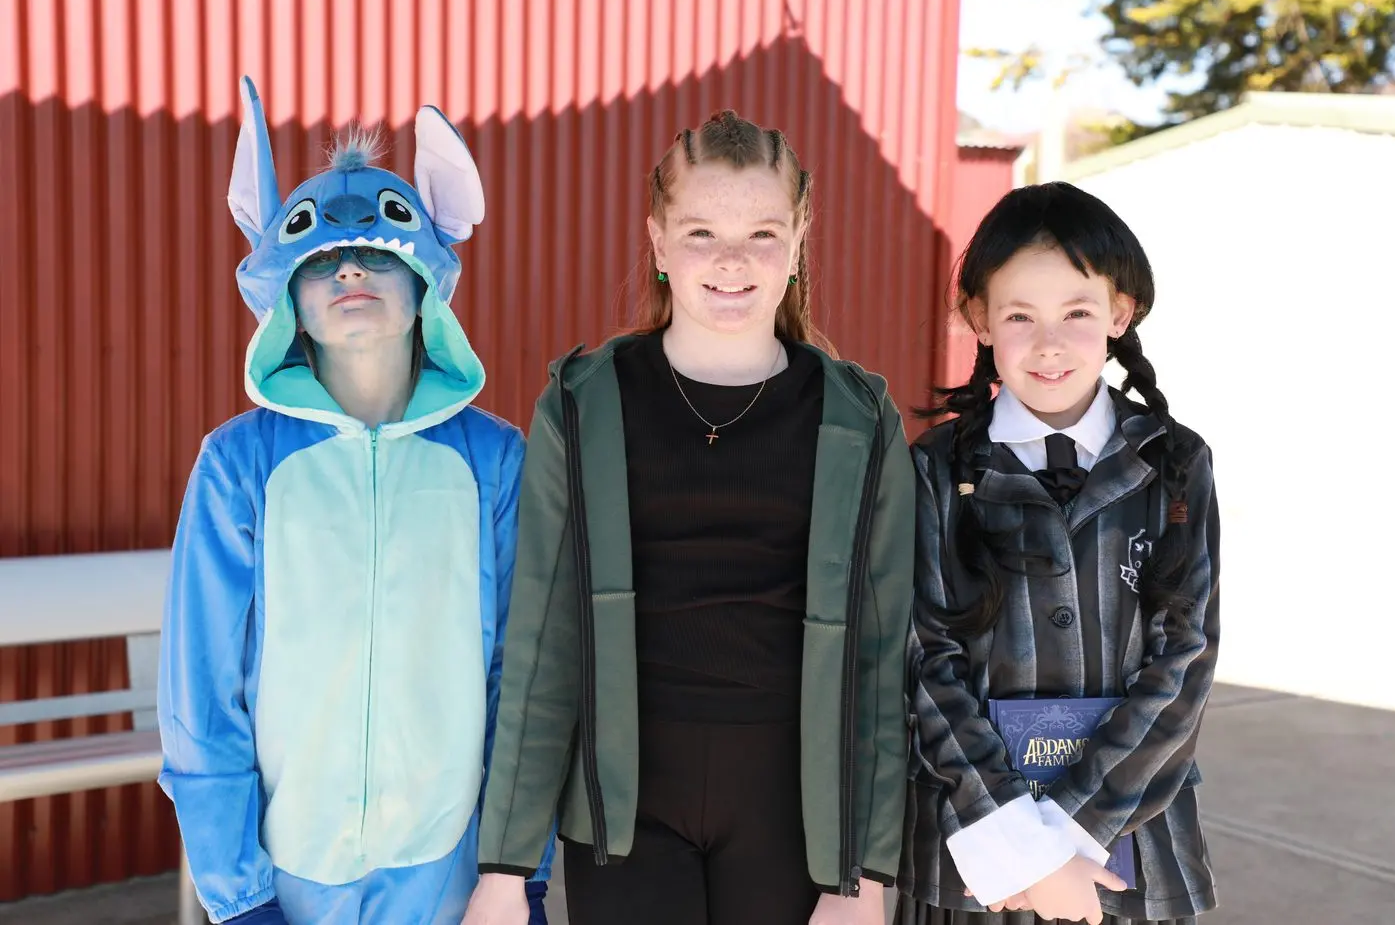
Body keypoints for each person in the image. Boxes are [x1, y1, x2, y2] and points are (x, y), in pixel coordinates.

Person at [461, 110, 914, 925]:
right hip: (625, 813)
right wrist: (503, 867)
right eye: (701, 230)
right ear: (659, 242)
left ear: (800, 236)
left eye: (762, 232)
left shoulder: (856, 415)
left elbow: (879, 660)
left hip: (794, 813)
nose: (732, 260)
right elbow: (542, 639)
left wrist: (862, 874)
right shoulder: (584, 398)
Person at [157, 76, 551, 925]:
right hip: (290, 875)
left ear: (424, 284)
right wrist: (237, 894)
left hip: (454, 875)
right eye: (320, 260)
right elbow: (201, 694)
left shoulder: (495, 460)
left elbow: (522, 678)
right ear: (286, 296)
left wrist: (517, 867)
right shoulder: (237, 466)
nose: (349, 269)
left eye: (378, 252)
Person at [897, 181, 1220, 925]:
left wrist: (1074, 832)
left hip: (1125, 839)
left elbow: (1184, 658)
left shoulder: (1173, 463)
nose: (1048, 342)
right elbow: (923, 659)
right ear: (977, 318)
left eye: (1076, 312)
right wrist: (1023, 843)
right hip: (977, 845)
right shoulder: (935, 467)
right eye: (1019, 315)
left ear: (1118, 311)